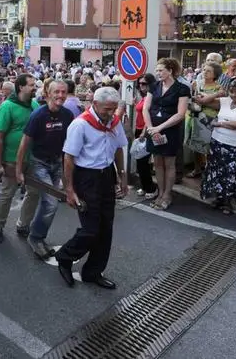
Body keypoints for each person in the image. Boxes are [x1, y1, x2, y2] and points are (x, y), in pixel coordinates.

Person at [54, 87, 127, 290]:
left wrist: (122, 175)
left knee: (106, 229)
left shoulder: (114, 122)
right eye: (107, 109)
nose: (111, 113)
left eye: (114, 109)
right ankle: (65, 257)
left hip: (106, 176)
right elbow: (68, 158)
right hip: (86, 178)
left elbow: (119, 147)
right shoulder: (80, 125)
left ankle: (93, 272)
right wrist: (69, 189)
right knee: (91, 229)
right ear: (94, 104)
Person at [14, 80, 74, 259]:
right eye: (56, 92)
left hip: (57, 163)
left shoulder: (68, 115)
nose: (60, 96)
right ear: (48, 93)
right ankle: (36, 238)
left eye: (64, 92)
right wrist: (18, 171)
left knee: (39, 198)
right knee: (51, 203)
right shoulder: (38, 115)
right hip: (39, 163)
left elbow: (69, 145)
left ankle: (25, 225)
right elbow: (24, 144)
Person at [140, 58, 190, 211]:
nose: (158, 73)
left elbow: (180, 114)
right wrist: (151, 129)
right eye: (157, 70)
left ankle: (168, 194)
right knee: (157, 163)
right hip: (153, 129)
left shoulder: (182, 88)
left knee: (169, 164)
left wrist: (159, 128)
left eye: (161, 70)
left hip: (171, 130)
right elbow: (146, 109)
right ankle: (160, 193)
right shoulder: (154, 86)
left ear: (170, 70)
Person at [0, 74, 36, 242]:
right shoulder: (7, 107)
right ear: (21, 87)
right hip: (10, 159)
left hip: (31, 159)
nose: (34, 88)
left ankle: (23, 224)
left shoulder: (34, 105)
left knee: (33, 193)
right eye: (31, 85)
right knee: (7, 193)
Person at [200, 81, 236, 214]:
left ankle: (228, 202)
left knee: (231, 173)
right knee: (216, 170)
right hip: (217, 141)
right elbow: (203, 101)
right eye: (232, 92)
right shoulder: (224, 101)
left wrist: (220, 123)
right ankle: (218, 199)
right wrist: (218, 93)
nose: (234, 95)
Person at [186, 62, 223, 178]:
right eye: (204, 70)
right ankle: (197, 169)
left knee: (208, 147)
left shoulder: (219, 88)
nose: (205, 72)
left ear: (215, 74)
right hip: (195, 117)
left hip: (210, 120)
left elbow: (218, 105)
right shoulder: (196, 84)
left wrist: (204, 100)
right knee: (195, 147)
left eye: (208, 71)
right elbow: (192, 99)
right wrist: (209, 99)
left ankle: (208, 171)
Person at [133, 75, 158, 199]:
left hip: (146, 131)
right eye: (140, 84)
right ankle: (145, 186)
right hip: (139, 130)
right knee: (140, 162)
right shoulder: (144, 97)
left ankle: (150, 187)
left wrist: (144, 132)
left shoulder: (152, 97)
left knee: (143, 162)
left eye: (144, 84)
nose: (141, 86)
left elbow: (150, 116)